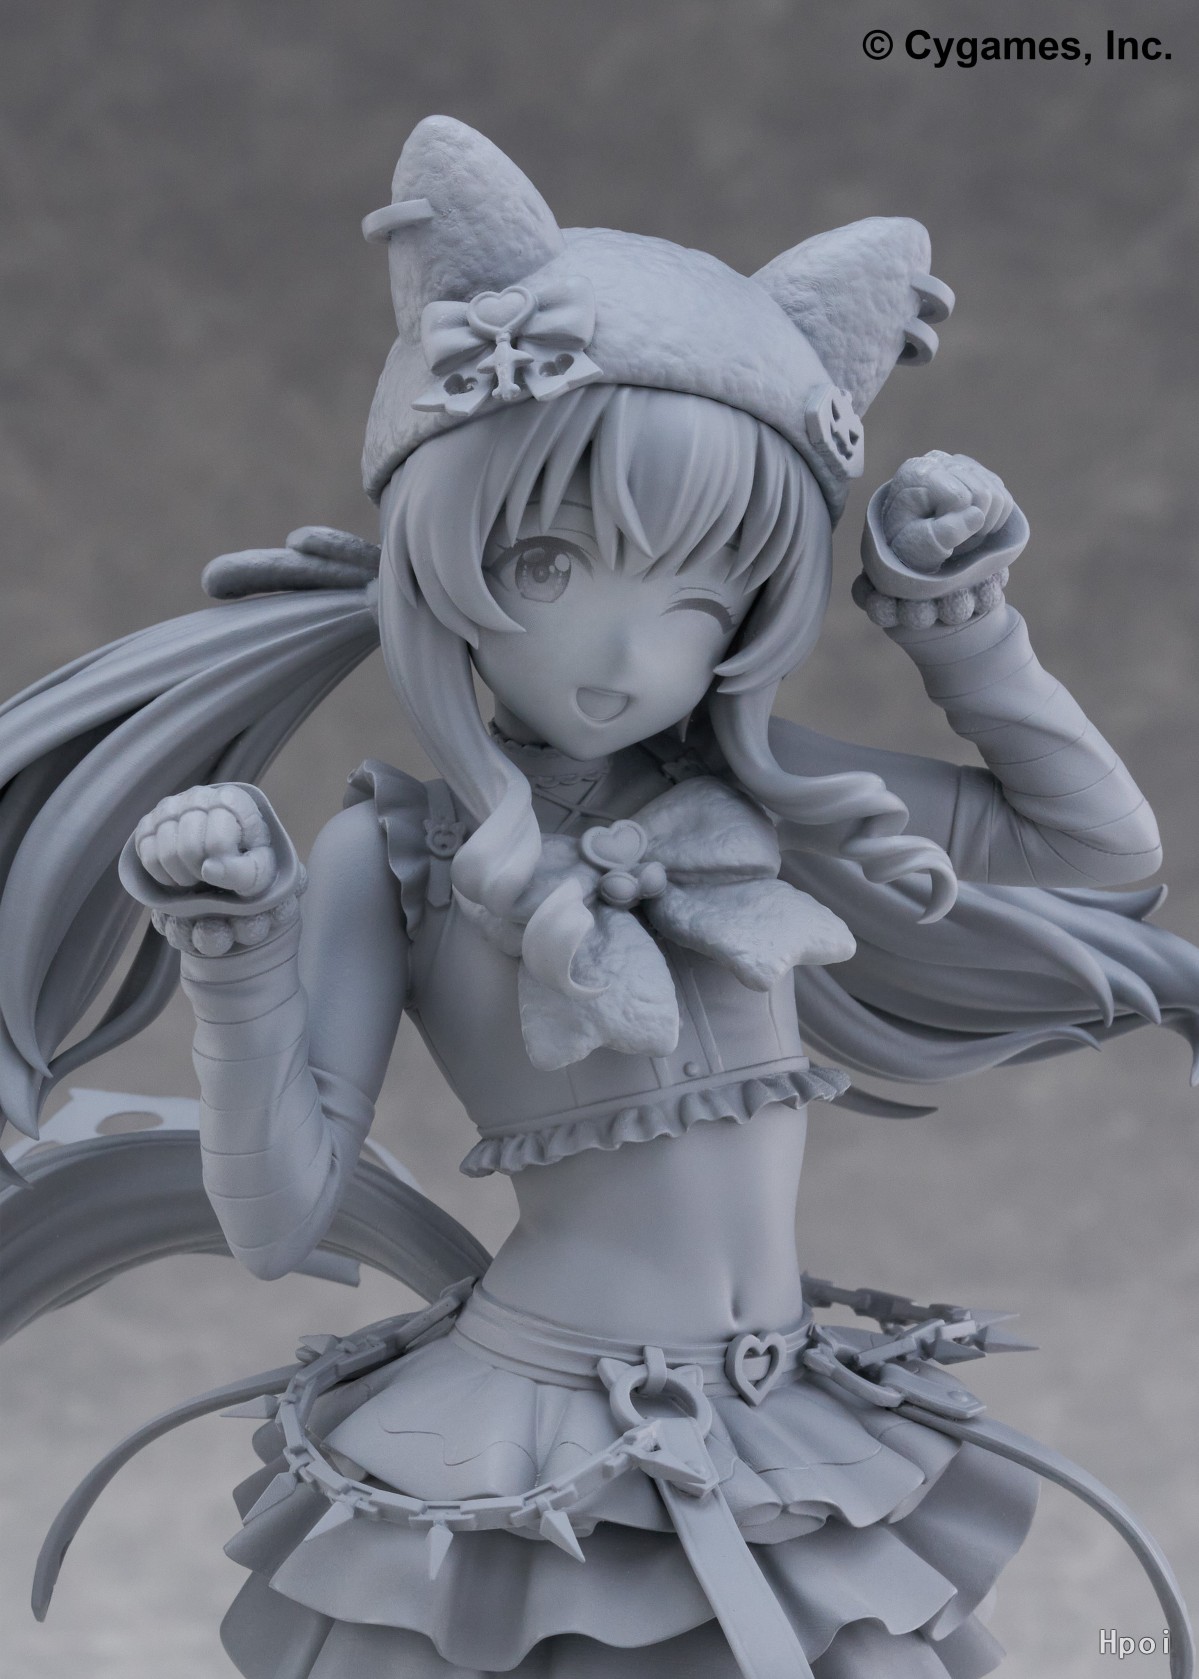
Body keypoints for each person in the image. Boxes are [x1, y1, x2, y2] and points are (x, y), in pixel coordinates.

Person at [2, 117, 1195, 1679]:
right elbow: (279, 1217)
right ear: (442, 557)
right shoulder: (399, 853)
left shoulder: (762, 803)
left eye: (701, 594)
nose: (630, 659)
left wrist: (963, 629)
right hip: (540, 1435)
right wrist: (234, 956)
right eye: (551, 566)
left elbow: (1102, 859)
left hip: (779, 1418)